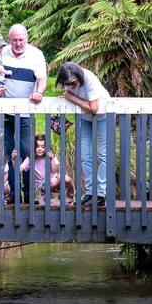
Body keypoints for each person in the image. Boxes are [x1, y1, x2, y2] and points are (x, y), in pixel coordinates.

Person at [0, 24, 46, 203]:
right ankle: (13, 194)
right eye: (14, 40)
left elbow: (42, 79)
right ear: (9, 39)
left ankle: (28, 196)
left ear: (27, 39)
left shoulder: (36, 54)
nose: (18, 43)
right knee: (6, 152)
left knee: (28, 152)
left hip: (26, 112)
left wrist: (39, 92)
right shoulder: (2, 53)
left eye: (21, 40)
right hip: (3, 110)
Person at [56, 61, 110, 207]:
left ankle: (101, 194)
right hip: (84, 118)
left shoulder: (89, 78)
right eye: (67, 84)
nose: (71, 86)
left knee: (103, 154)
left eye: (73, 83)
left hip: (102, 115)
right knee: (85, 155)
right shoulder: (68, 80)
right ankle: (90, 192)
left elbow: (94, 108)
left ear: (79, 76)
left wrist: (71, 97)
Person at [20, 134, 74, 204]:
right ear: (34, 147)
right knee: (52, 182)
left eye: (43, 147)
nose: (40, 149)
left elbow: (54, 170)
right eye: (37, 146)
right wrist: (13, 160)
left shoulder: (50, 156)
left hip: (54, 180)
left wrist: (51, 159)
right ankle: (45, 196)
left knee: (67, 179)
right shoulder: (31, 158)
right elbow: (20, 169)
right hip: (42, 184)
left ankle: (70, 195)